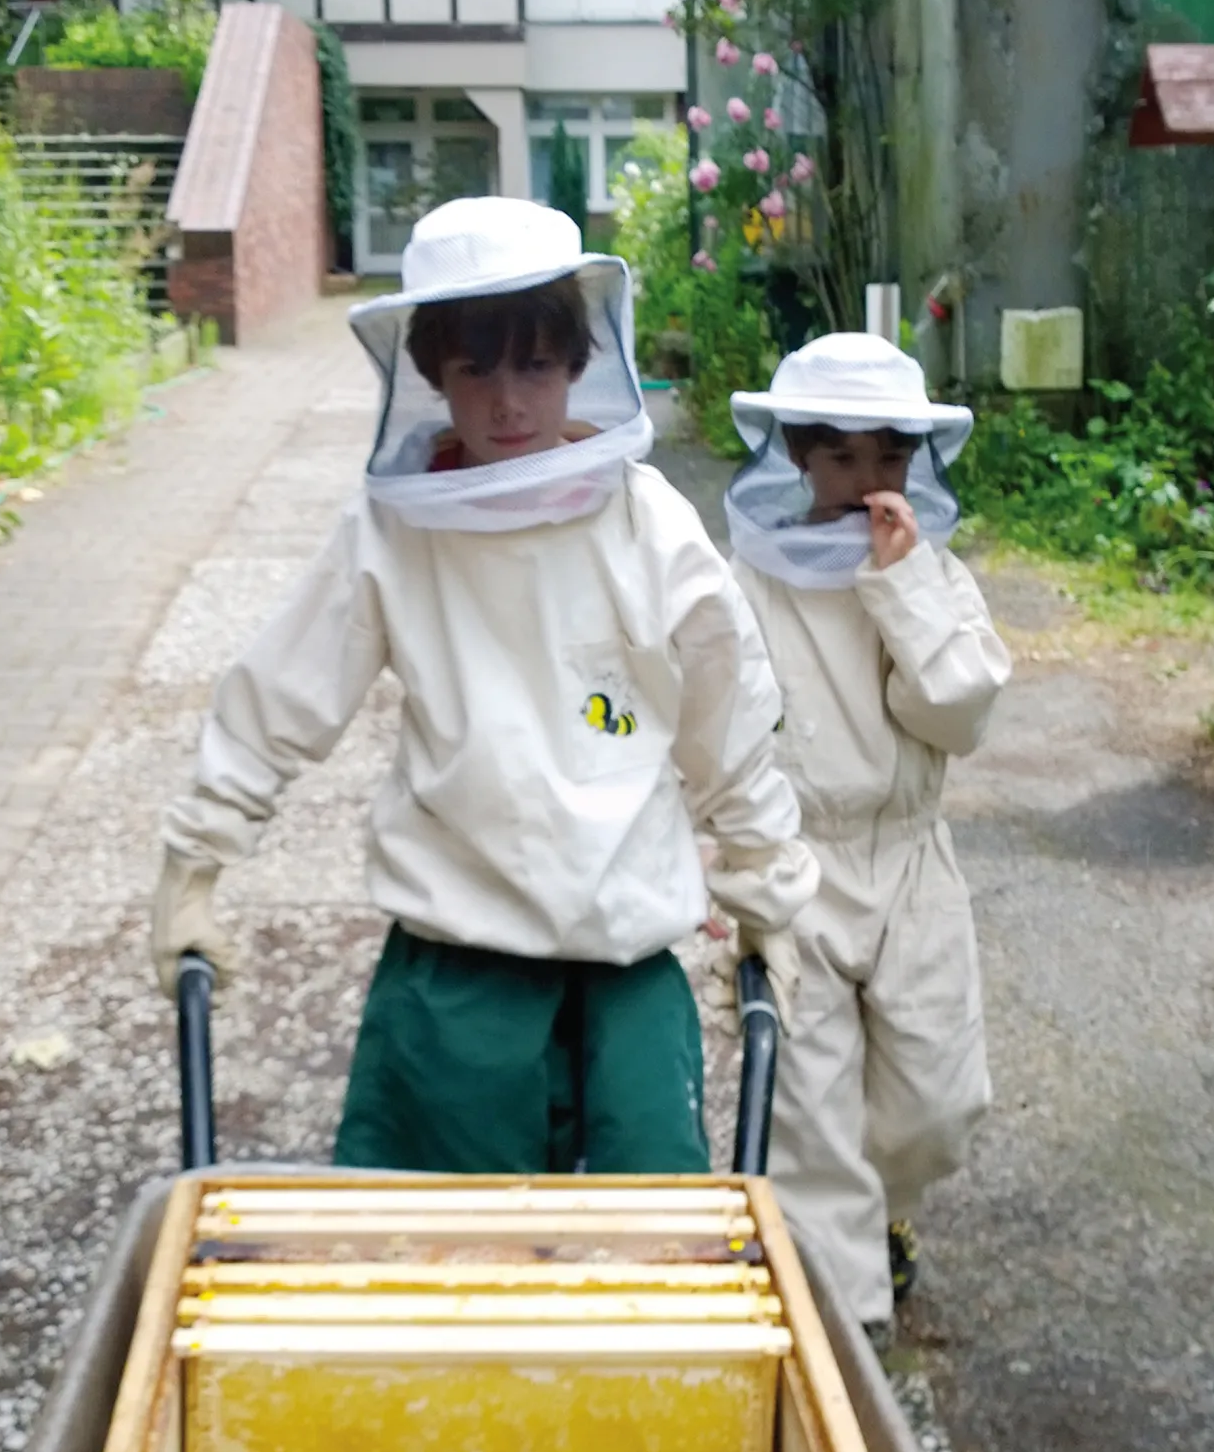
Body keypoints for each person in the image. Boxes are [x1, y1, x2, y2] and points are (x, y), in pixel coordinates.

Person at [149, 196, 816, 1175]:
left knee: (651, 1237)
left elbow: (729, 718)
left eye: (534, 365)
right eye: (476, 368)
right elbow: (281, 695)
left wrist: (764, 892)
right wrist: (193, 866)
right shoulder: (393, 531)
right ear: (431, 374)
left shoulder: (648, 523)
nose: (508, 401)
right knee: (443, 1246)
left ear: (578, 363)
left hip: (628, 958)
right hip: (454, 966)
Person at [724, 331, 1011, 1344]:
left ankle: (884, 1207)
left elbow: (959, 715)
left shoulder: (934, 574)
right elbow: (710, 723)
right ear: (796, 456)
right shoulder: (745, 582)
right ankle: (847, 1343)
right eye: (840, 456)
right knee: (809, 1118)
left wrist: (902, 587)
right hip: (798, 868)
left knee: (937, 1100)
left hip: (913, 863)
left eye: (887, 456)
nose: (864, 480)